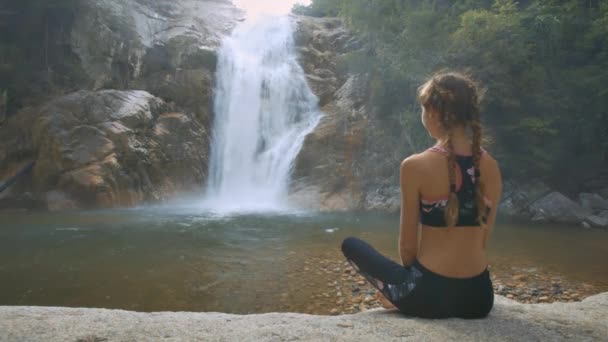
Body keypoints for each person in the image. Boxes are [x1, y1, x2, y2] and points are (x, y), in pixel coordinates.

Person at [341, 72, 502, 318]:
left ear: (434, 113)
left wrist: (407, 288)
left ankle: (395, 296)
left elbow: (407, 247)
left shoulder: (415, 166)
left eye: (422, 109)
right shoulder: (492, 166)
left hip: (429, 297)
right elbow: (483, 239)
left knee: (351, 245)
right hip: (479, 298)